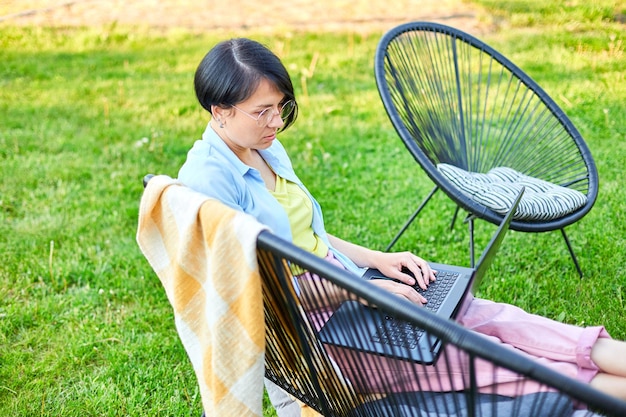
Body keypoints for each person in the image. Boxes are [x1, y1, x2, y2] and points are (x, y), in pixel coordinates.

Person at [177, 37, 626, 410]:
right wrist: (361, 290)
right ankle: (601, 391)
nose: (277, 122)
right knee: (494, 362)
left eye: (282, 107)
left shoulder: (262, 143)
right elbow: (255, 294)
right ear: (220, 112)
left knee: (488, 316)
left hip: (348, 287)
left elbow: (302, 239)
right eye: (263, 111)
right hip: (320, 331)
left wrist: (378, 262)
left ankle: (611, 356)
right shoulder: (208, 185)